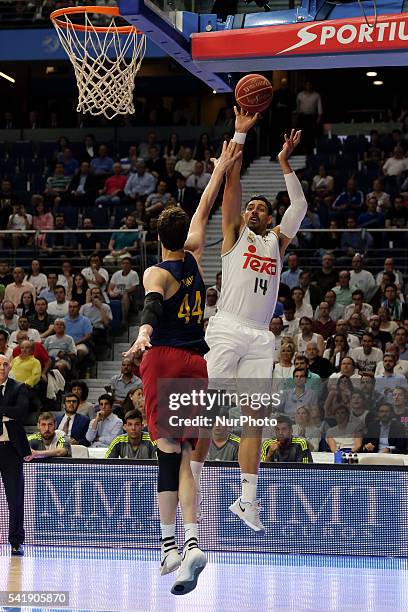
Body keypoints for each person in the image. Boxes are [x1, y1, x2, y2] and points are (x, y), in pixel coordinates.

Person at [123, 138, 241, 594]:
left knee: (167, 456)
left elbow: (151, 310)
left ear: (156, 238)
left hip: (166, 358)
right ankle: (191, 542)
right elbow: (204, 208)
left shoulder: (157, 272)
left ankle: (169, 544)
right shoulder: (194, 257)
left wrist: (141, 338)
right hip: (197, 363)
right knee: (189, 458)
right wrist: (222, 167)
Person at [182, 120, 306, 532]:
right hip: (227, 327)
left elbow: (300, 208)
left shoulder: (275, 242)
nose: (252, 211)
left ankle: (247, 500)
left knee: (255, 419)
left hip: (259, 336)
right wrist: (239, 138)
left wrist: (285, 163)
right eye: (249, 208)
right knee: (206, 410)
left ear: (269, 217)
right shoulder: (234, 234)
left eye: (260, 208)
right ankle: (191, 484)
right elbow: (231, 192)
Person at [0, 354, 31, 556]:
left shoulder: (19, 387)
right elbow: (12, 412)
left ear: (10, 367)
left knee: (16, 498)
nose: (2, 367)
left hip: (11, 449)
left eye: (5, 364)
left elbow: (21, 412)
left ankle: (16, 541)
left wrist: (6, 411)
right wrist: (6, 413)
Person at [108, 257, 139, 321]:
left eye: (127, 263)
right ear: (121, 265)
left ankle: (123, 319)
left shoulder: (133, 274)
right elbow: (110, 287)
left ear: (131, 265)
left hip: (128, 295)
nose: (125, 265)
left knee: (125, 295)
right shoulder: (116, 274)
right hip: (115, 294)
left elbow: (135, 287)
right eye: (123, 263)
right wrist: (111, 293)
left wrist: (124, 292)